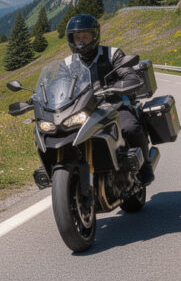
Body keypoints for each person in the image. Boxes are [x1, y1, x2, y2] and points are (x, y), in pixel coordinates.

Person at [64, 14, 155, 184]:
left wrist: (118, 86)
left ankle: (145, 166)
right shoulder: (68, 63)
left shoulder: (112, 54)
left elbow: (130, 75)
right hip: (83, 110)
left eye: (85, 37)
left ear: (94, 36)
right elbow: (58, 85)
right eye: (78, 37)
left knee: (130, 127)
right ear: (72, 39)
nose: (81, 41)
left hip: (114, 105)